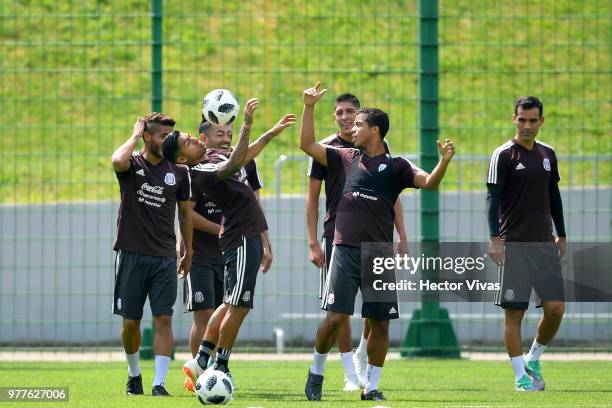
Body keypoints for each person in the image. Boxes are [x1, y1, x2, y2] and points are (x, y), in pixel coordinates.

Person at [300, 82, 455, 401]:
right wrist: (309, 107)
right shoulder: (344, 156)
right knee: (335, 317)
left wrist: (444, 161)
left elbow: (428, 182)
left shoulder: (398, 166)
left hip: (379, 254)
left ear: (374, 130)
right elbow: (307, 144)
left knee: (380, 323)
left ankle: (371, 386)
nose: (350, 126)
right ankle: (316, 370)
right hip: (343, 248)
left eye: (357, 123)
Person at [161, 99, 296, 393]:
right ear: (183, 159)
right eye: (188, 142)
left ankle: (201, 360)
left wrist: (271, 133)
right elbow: (236, 162)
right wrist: (247, 123)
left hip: (244, 235)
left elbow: (243, 156)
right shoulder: (201, 170)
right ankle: (218, 365)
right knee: (239, 305)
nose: (195, 140)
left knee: (231, 302)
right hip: (243, 236)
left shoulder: (208, 161)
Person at [306, 93, 409, 390]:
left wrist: (402, 234)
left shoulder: (380, 150)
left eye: (351, 112)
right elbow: (312, 198)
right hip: (338, 236)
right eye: (340, 112)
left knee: (375, 313)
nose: (346, 117)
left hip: (376, 239)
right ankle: (346, 370)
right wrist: (313, 242)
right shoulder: (330, 149)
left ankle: (365, 367)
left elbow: (392, 195)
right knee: (338, 312)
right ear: (334, 117)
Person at [487, 96, 566, 391]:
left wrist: (562, 233)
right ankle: (520, 376)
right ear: (514, 119)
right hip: (514, 246)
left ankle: (533, 358)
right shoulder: (503, 155)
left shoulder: (548, 154)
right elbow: (492, 200)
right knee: (515, 313)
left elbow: (554, 196)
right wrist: (495, 239)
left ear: (541, 121)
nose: (527, 125)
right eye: (522, 119)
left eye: (533, 120)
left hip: (545, 245)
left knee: (556, 308)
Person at [111, 112, 193, 397]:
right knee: (130, 322)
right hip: (132, 253)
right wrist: (134, 134)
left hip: (164, 257)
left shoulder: (179, 172)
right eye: (162, 135)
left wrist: (187, 248)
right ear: (147, 136)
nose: (167, 140)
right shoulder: (132, 164)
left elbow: (185, 215)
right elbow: (116, 161)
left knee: (164, 320)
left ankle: (159, 383)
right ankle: (135, 375)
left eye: (171, 136)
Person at [183, 120, 269, 360]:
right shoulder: (196, 170)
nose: (225, 138)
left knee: (231, 305)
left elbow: (253, 200)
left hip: (230, 245)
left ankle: (209, 366)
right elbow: (186, 214)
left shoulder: (241, 162)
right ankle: (205, 369)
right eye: (220, 133)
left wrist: (265, 242)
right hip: (203, 250)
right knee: (208, 312)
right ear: (203, 138)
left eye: (229, 133)